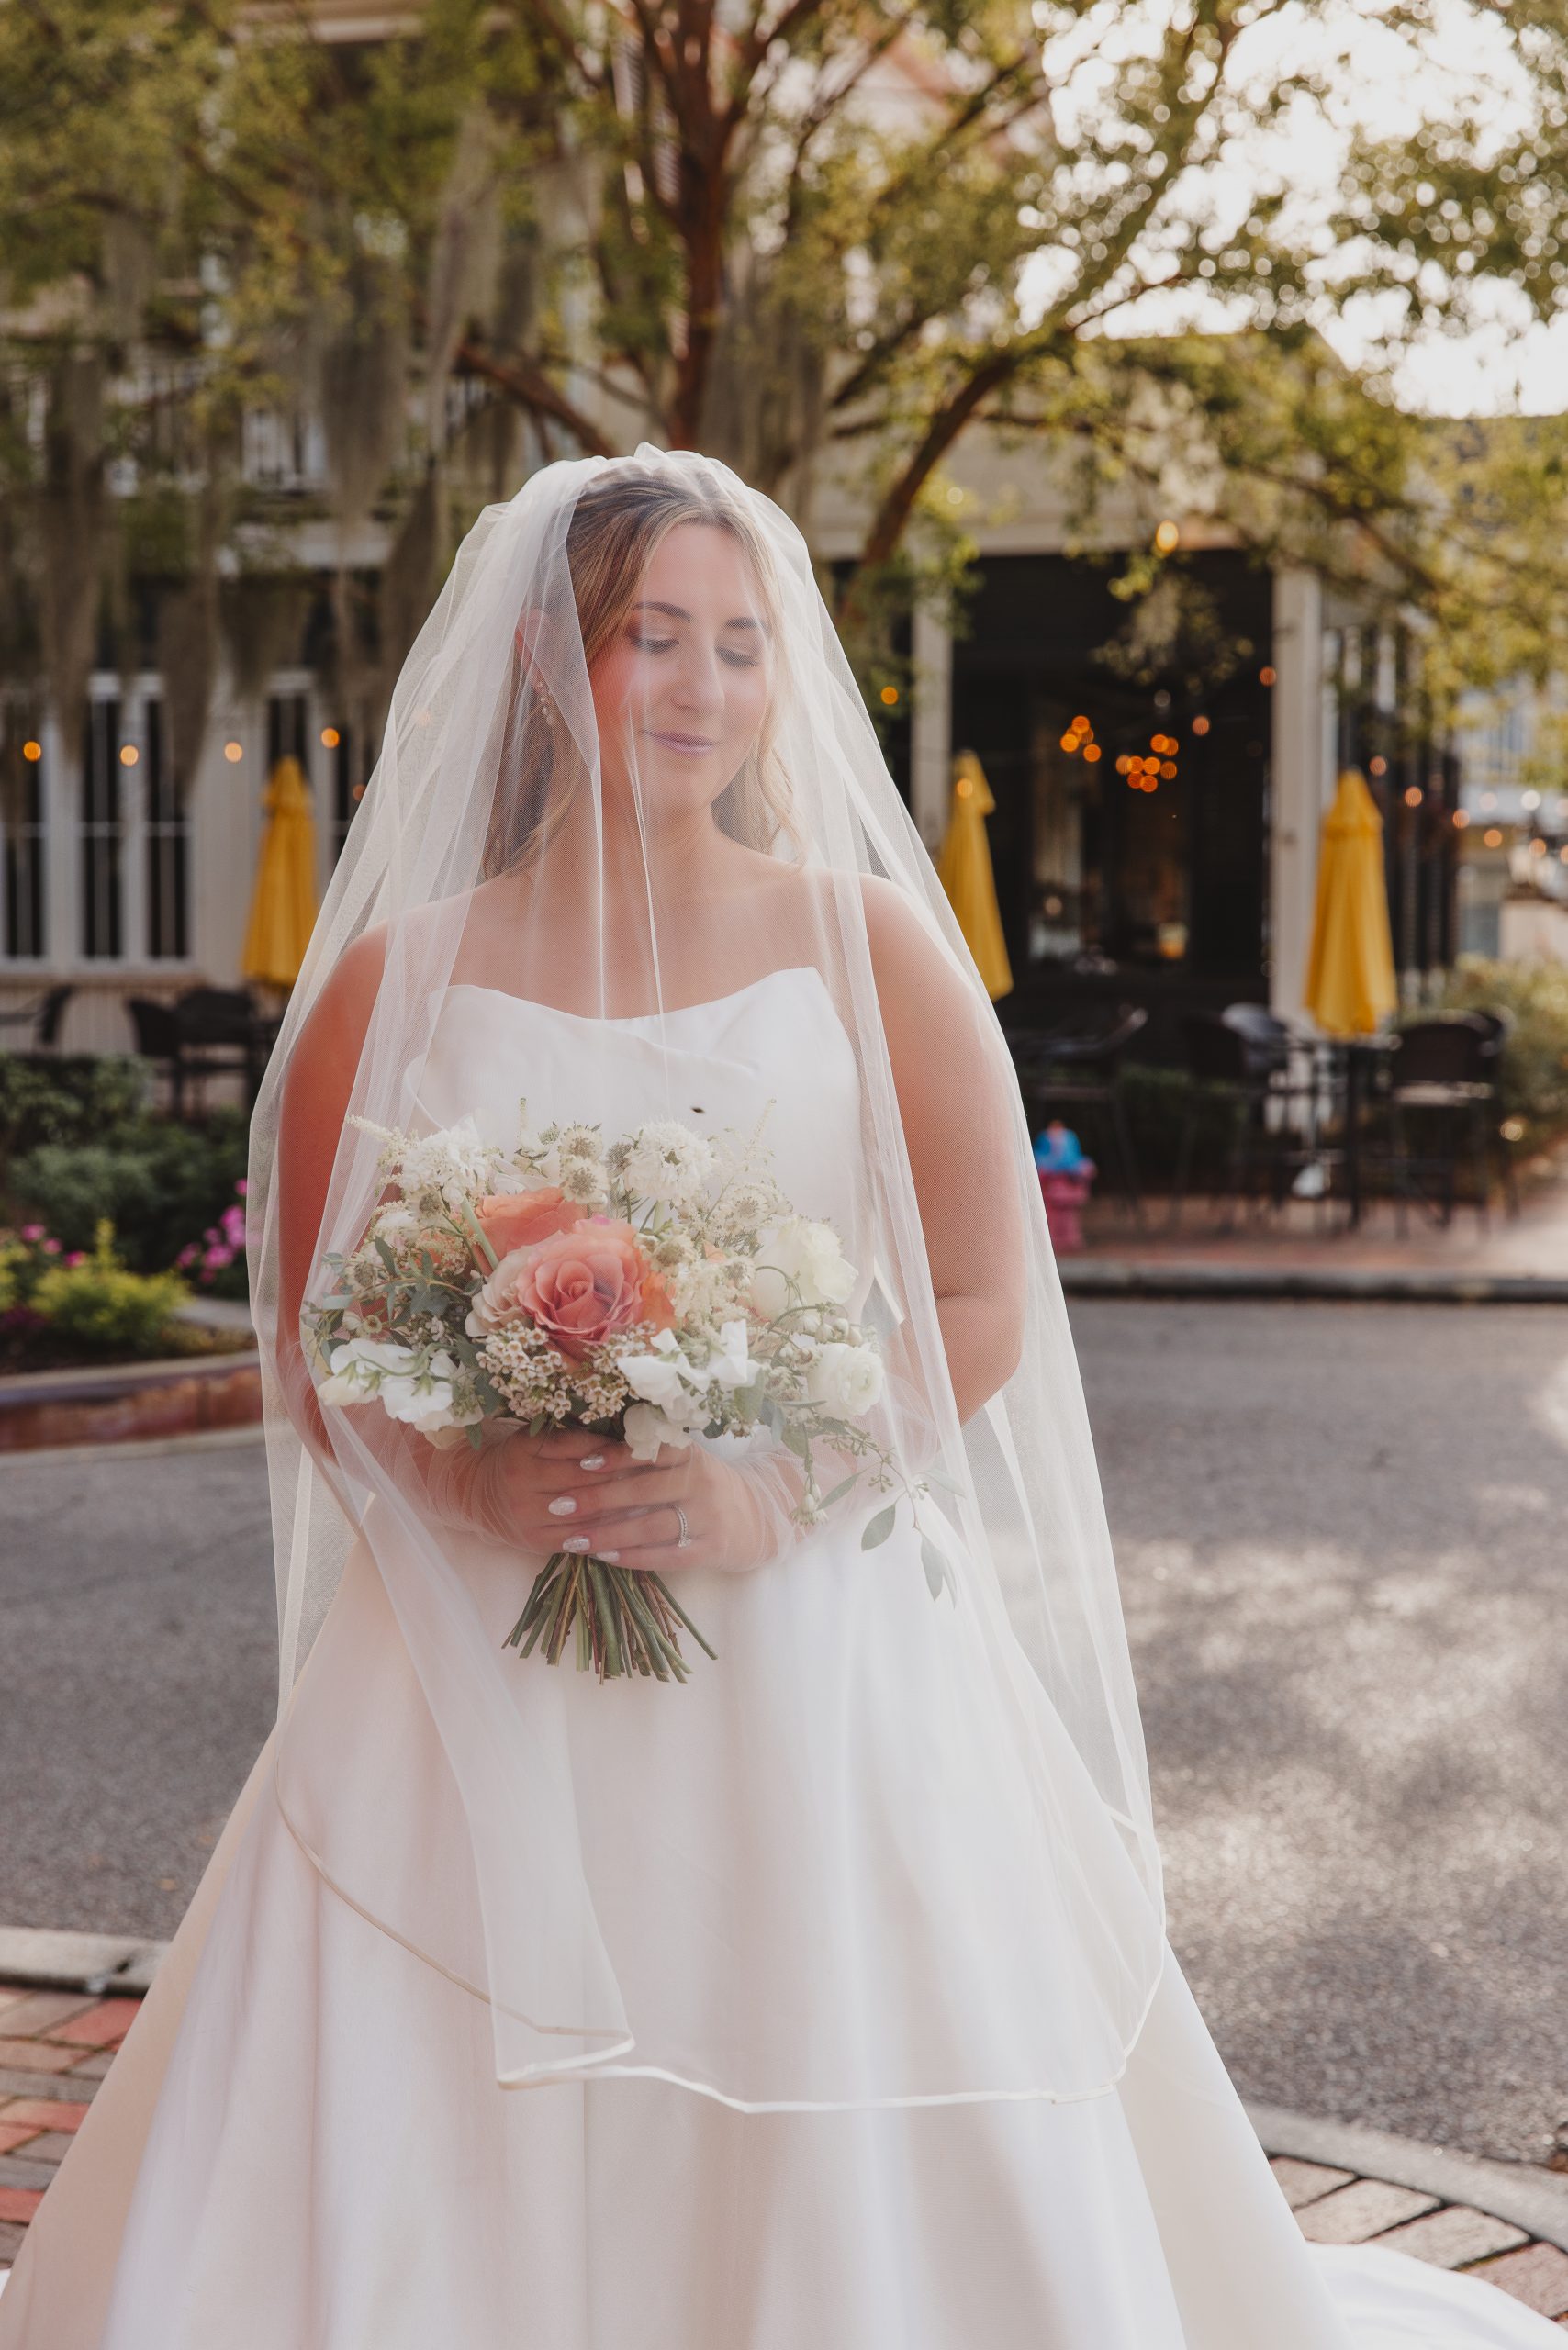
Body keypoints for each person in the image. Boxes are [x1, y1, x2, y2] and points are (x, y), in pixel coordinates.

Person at [0, 451, 1554, 2349]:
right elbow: (321, 1336)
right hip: (467, 1662)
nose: (704, 684)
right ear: (543, 663)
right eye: (652, 635)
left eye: (740, 643)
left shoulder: (866, 943)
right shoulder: (396, 981)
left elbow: (979, 1295)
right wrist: (466, 1474)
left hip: (816, 1636)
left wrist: (767, 1488)